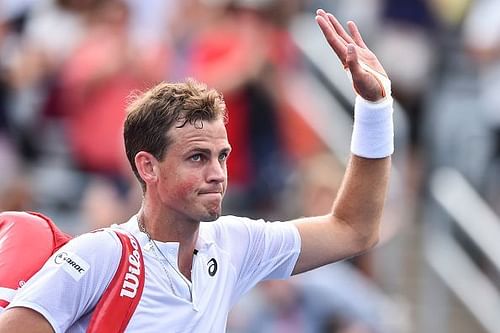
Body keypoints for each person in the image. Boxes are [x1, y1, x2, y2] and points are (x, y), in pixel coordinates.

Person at [0, 9, 394, 332]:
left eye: (221, 156)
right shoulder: (100, 255)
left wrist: (375, 109)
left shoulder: (234, 243)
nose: (217, 173)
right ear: (148, 167)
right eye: (197, 158)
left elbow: (353, 230)